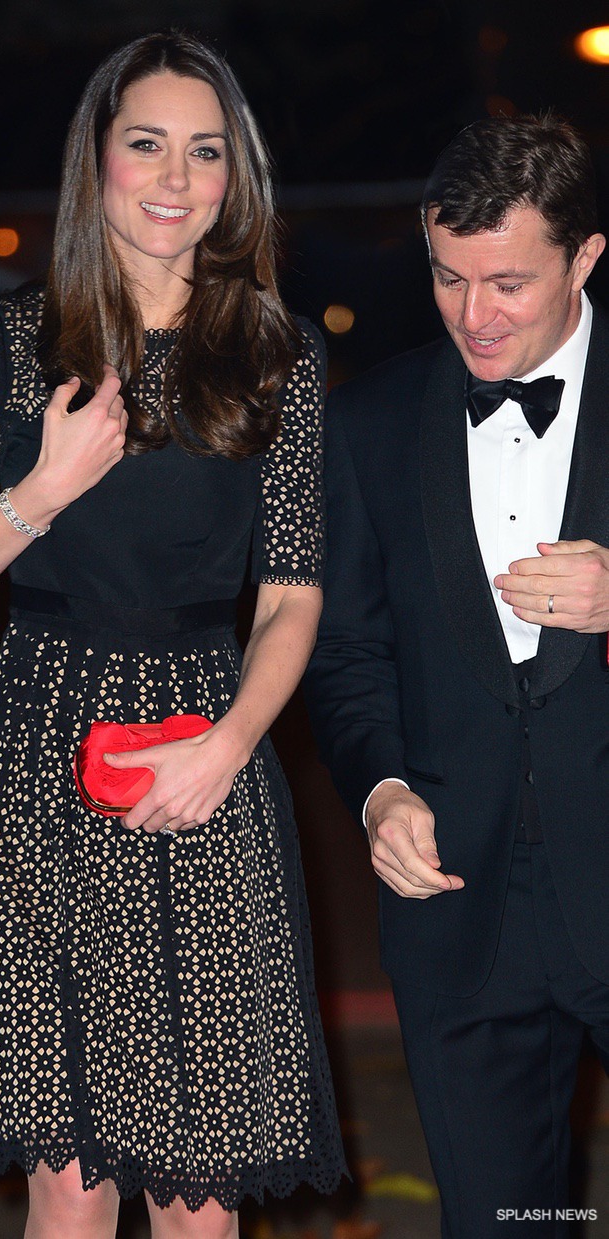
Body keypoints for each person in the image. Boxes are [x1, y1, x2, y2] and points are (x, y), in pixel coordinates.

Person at [0, 30, 345, 1239]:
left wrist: (232, 745)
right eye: (147, 144)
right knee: (70, 1194)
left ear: (233, 180)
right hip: (33, 770)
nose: (175, 178)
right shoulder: (3, 346)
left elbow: (293, 595)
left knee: (196, 1207)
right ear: (98, 163)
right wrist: (46, 488)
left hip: (206, 758)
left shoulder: (278, 360)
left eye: (205, 152)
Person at [303, 112, 609, 1237]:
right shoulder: (371, 422)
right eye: (447, 277)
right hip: (461, 922)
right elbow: (347, 655)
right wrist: (380, 788)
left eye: (509, 285)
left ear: (586, 257)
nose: (472, 316)